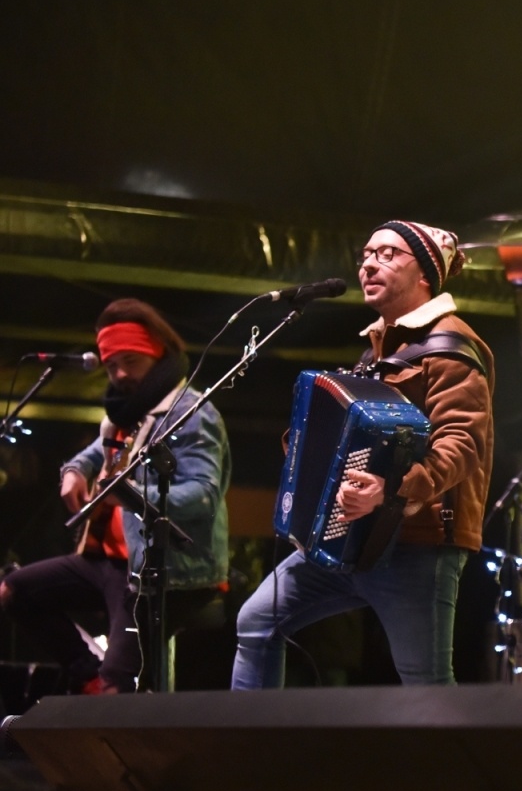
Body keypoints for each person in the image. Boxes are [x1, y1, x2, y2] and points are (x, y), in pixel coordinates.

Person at [232, 221, 494, 688]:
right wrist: (305, 450)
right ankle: (252, 752)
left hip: (418, 542)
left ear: (425, 274)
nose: (370, 263)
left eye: (389, 254)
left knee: (425, 682)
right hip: (349, 535)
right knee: (256, 622)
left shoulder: (451, 347)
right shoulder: (376, 349)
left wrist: (393, 492)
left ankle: (453, 762)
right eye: (367, 254)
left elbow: (463, 442)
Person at [0, 299, 231, 694]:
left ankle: (111, 697)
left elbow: (204, 496)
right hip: (109, 563)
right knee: (15, 591)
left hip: (161, 574)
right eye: (111, 366)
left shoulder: (190, 413)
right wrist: (75, 471)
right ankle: (88, 674)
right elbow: (96, 452)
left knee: (117, 690)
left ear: (158, 357)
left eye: (131, 361)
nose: (120, 374)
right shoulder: (126, 414)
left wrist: (129, 494)